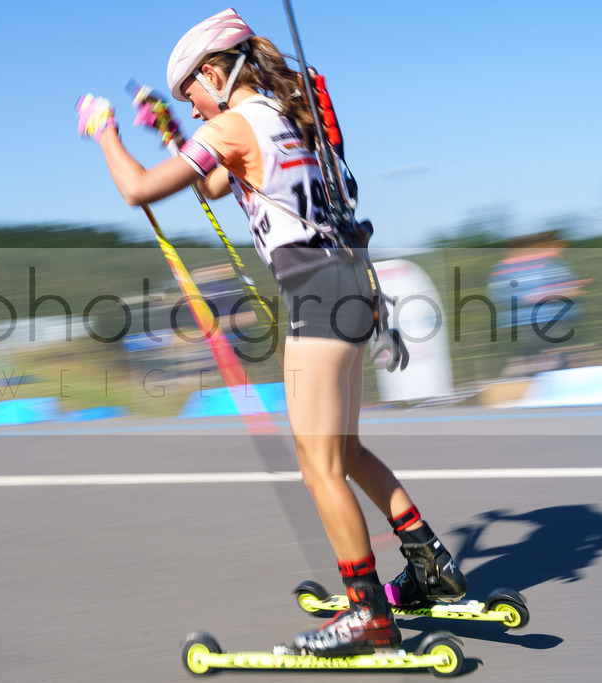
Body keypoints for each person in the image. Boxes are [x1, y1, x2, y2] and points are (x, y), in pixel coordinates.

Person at [76, 8, 466, 656]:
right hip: (350, 285)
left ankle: (367, 611)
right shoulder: (284, 117)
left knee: (318, 465)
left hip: (317, 296)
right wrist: (174, 132)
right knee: (342, 449)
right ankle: (429, 560)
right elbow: (222, 179)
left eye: (190, 96)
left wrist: (106, 133)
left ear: (213, 73)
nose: (195, 109)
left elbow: (139, 189)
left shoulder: (232, 123)